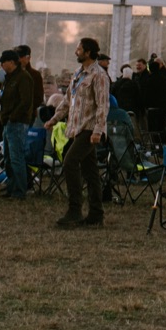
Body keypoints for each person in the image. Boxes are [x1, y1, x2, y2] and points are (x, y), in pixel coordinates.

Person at [49, 36, 109, 228]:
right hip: (77, 128)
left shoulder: (99, 75)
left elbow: (102, 104)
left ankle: (75, 210)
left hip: (90, 129)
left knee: (70, 161)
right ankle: (96, 214)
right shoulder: (78, 74)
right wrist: (55, 118)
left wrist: (98, 130)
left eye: (79, 49)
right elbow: (68, 99)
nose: (76, 51)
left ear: (88, 52)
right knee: (91, 173)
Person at [0, 49, 35, 200]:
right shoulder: (9, 78)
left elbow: (25, 102)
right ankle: (11, 187)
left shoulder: (23, 78)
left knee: (16, 157)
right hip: (8, 123)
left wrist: (12, 117)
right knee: (8, 158)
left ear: (11, 62)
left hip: (17, 123)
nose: (1, 65)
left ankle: (19, 191)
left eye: (3, 62)